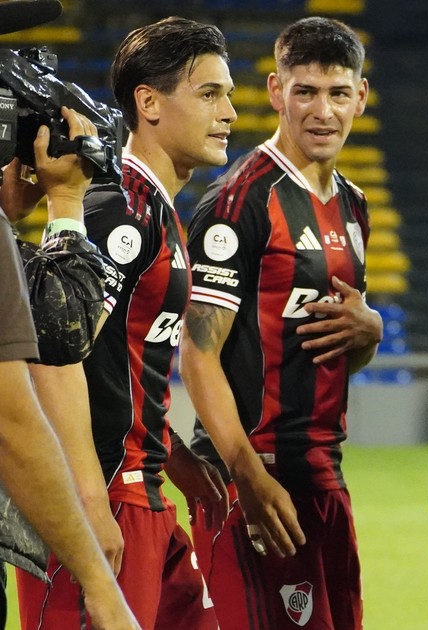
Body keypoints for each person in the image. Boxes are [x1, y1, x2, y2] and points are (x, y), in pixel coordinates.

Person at [15, 16, 236, 629]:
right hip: (102, 496)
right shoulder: (116, 210)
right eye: (209, 94)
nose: (228, 114)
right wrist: (87, 499)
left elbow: (121, 354)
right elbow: (54, 357)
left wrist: (174, 459)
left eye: (228, 96)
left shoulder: (153, 209)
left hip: (145, 488)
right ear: (149, 103)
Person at [179, 16, 379, 630]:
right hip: (254, 476)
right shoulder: (239, 201)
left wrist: (368, 332)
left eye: (338, 93)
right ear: (275, 91)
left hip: (324, 473)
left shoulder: (354, 206)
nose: (323, 111)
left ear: (360, 97)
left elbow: (338, 347)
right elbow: (197, 353)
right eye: (306, 92)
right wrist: (246, 477)